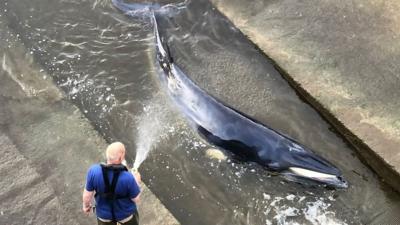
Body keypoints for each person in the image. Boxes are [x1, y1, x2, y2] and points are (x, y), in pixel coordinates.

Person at [82, 142, 141, 225]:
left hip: (104, 217)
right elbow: (136, 199)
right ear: (120, 158)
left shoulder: (93, 171)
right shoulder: (128, 177)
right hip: (126, 216)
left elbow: (87, 196)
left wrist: (86, 206)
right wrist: (137, 182)